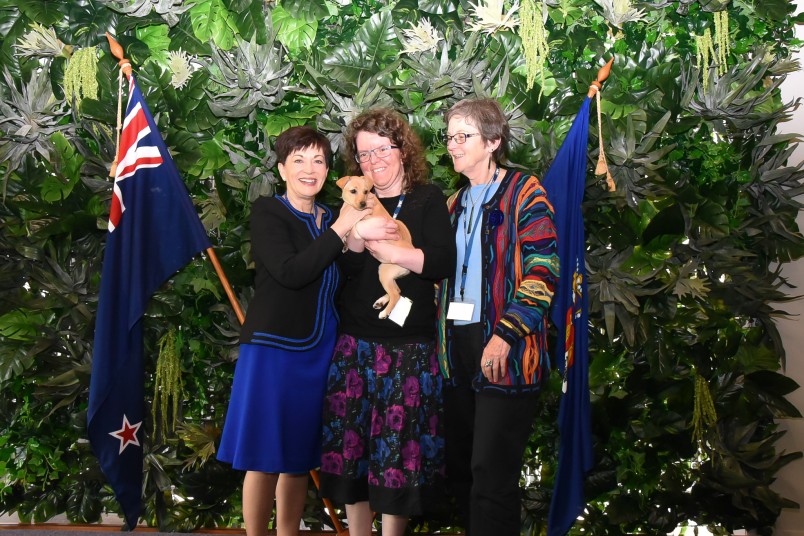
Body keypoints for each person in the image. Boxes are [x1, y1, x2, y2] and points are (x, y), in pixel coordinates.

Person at [217, 125, 397, 536]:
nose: (309, 168)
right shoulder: (269, 212)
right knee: (263, 457)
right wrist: (340, 230)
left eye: (318, 159)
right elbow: (291, 272)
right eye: (298, 160)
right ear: (282, 169)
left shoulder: (334, 216)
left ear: (328, 169)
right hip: (273, 351)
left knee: (299, 458)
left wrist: (357, 239)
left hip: (320, 353)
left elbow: (348, 274)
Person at [319, 108, 456, 536]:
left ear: (402, 150)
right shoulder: (348, 204)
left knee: (399, 458)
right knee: (353, 453)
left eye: (382, 149)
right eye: (363, 154)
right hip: (355, 345)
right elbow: (337, 277)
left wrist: (397, 255)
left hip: (409, 350)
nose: (374, 160)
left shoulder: (427, 199)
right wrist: (353, 242)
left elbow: (443, 261)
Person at [436, 98, 559, 536]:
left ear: (493, 141)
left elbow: (544, 271)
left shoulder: (526, 191)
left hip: (506, 350)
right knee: (464, 475)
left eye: (462, 136)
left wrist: (505, 334)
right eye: (449, 136)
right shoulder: (450, 204)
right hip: (457, 352)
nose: (453, 145)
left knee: (491, 475)